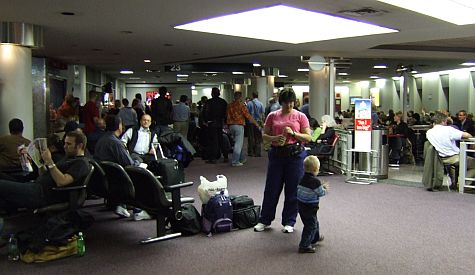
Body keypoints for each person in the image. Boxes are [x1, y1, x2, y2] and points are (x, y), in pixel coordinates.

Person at [254, 88, 311, 233]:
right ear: (281, 103)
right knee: (272, 188)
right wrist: (274, 138)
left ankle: (289, 221)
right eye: (286, 103)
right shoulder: (273, 116)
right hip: (277, 155)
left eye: (292, 102)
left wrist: (294, 133)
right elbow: (264, 135)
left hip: (296, 156)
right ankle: (264, 220)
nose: (289, 106)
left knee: (293, 189)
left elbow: (308, 137)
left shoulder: (300, 116)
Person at [0, 131, 91, 213]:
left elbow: (62, 181)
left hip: (41, 194)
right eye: (65, 143)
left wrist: (50, 161)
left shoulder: (81, 163)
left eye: (68, 144)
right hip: (36, 187)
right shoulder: (67, 158)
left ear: (80, 146)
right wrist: (40, 162)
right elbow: (44, 174)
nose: (65, 146)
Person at [94, 115, 150, 221]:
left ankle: (121, 204)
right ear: (119, 126)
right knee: (143, 174)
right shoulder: (115, 142)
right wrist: (139, 162)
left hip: (106, 177)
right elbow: (129, 163)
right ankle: (139, 210)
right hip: (118, 179)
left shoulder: (103, 139)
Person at [426, 111, 475, 187]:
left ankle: (456, 181)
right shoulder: (448, 129)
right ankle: (462, 182)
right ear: (443, 121)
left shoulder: (429, 132)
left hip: (439, 158)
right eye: (446, 121)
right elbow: (466, 135)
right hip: (453, 157)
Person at [297, 155, 328, 253]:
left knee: (313, 222)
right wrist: (325, 188)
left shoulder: (302, 179)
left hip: (301, 205)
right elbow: (321, 193)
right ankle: (304, 245)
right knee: (310, 226)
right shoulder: (315, 181)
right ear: (315, 169)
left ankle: (315, 238)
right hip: (310, 207)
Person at [226, 92, 260, 167]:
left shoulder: (229, 105)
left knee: (238, 143)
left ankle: (241, 158)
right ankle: (235, 161)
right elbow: (248, 116)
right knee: (238, 144)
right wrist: (256, 124)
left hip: (231, 126)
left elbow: (227, 116)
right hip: (239, 125)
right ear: (240, 97)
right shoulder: (241, 105)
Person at [203, 87, 227, 164]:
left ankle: (213, 158)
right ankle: (225, 156)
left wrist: (206, 120)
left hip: (212, 123)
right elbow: (226, 113)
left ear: (212, 93)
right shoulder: (223, 102)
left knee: (213, 141)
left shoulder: (209, 102)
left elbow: (205, 112)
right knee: (221, 140)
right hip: (220, 122)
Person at [246, 92, 265, 157]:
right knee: (258, 138)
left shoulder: (249, 103)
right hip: (258, 122)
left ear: (252, 96)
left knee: (251, 137)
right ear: (257, 95)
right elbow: (263, 114)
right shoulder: (261, 103)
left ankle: (251, 152)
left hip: (251, 122)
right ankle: (257, 152)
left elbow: (247, 114)